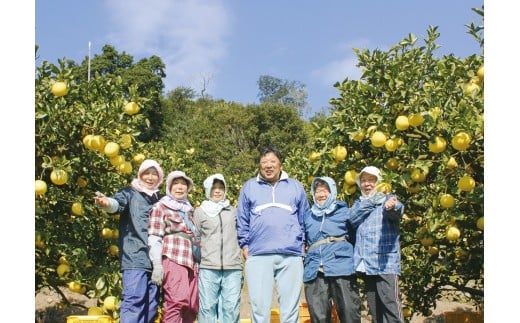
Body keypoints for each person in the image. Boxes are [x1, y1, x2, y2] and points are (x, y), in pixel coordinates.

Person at [237, 147, 310, 323]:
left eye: (272, 162)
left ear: (280, 165)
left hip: (291, 255)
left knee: (290, 308)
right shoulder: (249, 187)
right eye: (264, 162)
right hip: (258, 254)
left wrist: (303, 243)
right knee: (259, 308)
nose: (268, 166)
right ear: (259, 166)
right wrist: (245, 246)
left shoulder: (295, 186)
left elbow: (304, 217)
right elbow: (242, 219)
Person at [94, 159, 164, 323]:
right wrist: (106, 203)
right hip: (135, 257)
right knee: (134, 301)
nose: (150, 177)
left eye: (154, 174)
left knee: (152, 305)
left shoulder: (161, 199)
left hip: (156, 262)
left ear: (159, 178)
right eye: (147, 173)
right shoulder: (130, 193)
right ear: (140, 174)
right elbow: (116, 204)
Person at [303, 176, 376, 323]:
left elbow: (356, 236)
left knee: (349, 312)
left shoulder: (344, 212)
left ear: (333, 192)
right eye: (317, 191)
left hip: (341, 266)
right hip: (314, 270)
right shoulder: (308, 216)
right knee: (319, 316)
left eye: (325, 191)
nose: (321, 194)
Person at [352, 166, 405, 323]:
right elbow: (352, 218)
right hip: (367, 265)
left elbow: (397, 209)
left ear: (379, 182)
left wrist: (392, 206)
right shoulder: (358, 203)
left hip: (385, 263)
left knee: (391, 307)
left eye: (371, 180)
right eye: (363, 180)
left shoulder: (387, 199)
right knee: (375, 310)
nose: (367, 184)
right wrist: (370, 202)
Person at [148, 170, 199, 322]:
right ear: (169, 187)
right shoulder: (160, 207)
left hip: (192, 261)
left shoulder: (189, 210)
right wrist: (157, 263)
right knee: (177, 301)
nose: (180, 187)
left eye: (183, 184)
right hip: (173, 258)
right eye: (176, 183)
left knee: (192, 305)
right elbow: (154, 236)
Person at [193, 173, 243, 323]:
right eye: (214, 187)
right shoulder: (200, 212)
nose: (217, 191)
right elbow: (196, 238)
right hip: (208, 267)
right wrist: (199, 259)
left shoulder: (233, 211)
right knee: (207, 307)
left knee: (231, 308)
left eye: (221, 187)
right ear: (208, 190)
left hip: (232, 267)